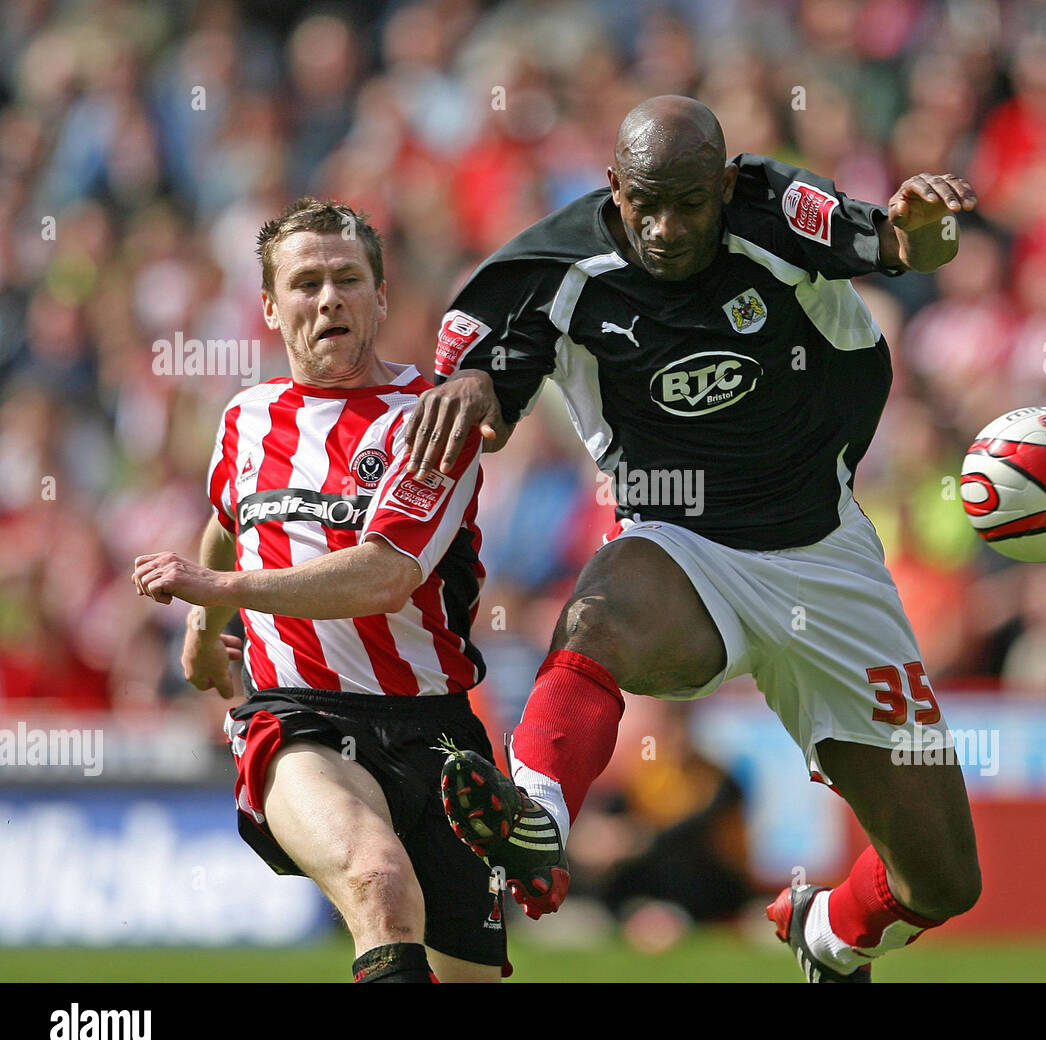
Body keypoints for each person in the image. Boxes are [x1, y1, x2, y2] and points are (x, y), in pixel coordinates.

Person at [410, 96, 982, 983]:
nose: (667, 228)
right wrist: (476, 397)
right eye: (646, 205)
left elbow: (908, 245)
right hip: (682, 546)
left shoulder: (779, 213)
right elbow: (482, 388)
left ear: (725, 185)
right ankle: (537, 820)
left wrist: (931, 232)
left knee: (942, 879)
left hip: (825, 558)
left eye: (689, 203)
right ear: (614, 188)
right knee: (597, 616)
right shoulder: (551, 268)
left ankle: (829, 935)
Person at [131, 198, 506, 983]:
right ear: (270, 306)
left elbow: (385, 574)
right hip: (296, 714)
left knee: (461, 973)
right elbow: (228, 517)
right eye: (305, 282)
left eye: (347, 278)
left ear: (381, 295)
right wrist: (206, 634)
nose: (328, 296)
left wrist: (216, 585)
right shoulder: (246, 417)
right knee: (377, 879)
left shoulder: (432, 417)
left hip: (433, 723)